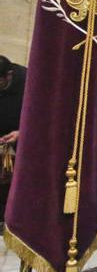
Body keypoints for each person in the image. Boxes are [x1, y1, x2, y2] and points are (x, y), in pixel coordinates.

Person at [0, 55, 25, 219]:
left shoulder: (28, 82)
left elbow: (40, 116)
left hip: (17, 141)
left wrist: (21, 132)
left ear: (8, 75)